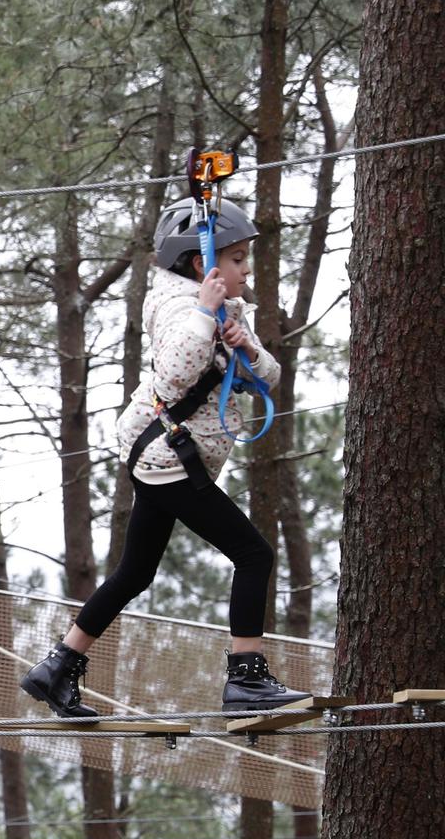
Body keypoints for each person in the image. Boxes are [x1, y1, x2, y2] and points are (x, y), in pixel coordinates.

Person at [20, 194, 305, 717]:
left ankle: (57, 669)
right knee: (254, 554)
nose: (247, 270)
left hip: (162, 454)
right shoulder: (182, 308)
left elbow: (269, 378)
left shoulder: (229, 310)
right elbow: (174, 375)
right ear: (204, 264)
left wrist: (245, 348)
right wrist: (204, 313)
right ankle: (245, 679)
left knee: (134, 573)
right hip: (168, 457)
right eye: (238, 259)